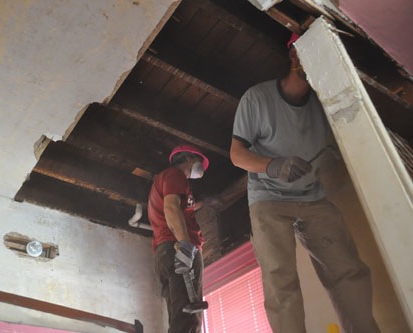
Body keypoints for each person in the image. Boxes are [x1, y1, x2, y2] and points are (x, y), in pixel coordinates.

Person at [229, 32, 380, 333]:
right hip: (268, 199)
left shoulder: (324, 105)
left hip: (312, 196)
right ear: (294, 56)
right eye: (304, 54)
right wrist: (273, 166)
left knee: (347, 271)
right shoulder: (257, 98)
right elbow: (237, 154)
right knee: (279, 279)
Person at [148, 144, 209, 333]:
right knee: (188, 320)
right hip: (178, 249)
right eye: (200, 163)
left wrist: (206, 203)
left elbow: (182, 207)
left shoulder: (164, 181)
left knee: (179, 317)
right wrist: (185, 246)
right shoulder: (175, 175)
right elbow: (172, 208)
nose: (202, 169)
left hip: (164, 252)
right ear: (189, 159)